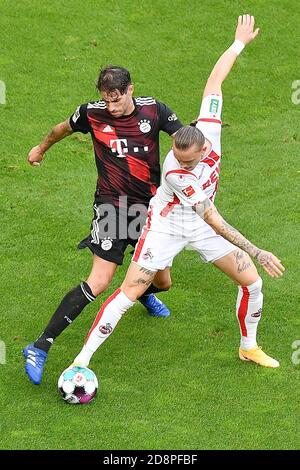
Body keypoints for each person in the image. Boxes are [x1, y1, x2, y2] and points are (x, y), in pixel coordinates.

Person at [72, 15, 285, 371]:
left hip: (200, 227)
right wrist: (256, 249)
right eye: (177, 160)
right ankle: (82, 360)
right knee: (130, 293)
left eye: (186, 160)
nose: (177, 163)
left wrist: (238, 44)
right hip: (168, 227)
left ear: (202, 147)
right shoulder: (176, 173)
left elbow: (214, 82)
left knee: (253, 283)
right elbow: (214, 219)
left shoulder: (209, 128)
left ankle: (248, 347)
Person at [24, 65, 183, 384]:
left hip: (149, 210)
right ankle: (39, 346)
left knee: (164, 282)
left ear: (130, 90)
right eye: (106, 100)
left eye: (116, 100)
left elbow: (185, 139)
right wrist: (41, 148)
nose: (110, 107)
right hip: (111, 205)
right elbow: (60, 129)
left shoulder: (154, 111)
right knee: (98, 281)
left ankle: (142, 292)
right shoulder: (91, 114)